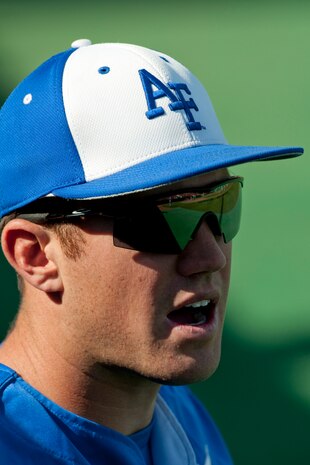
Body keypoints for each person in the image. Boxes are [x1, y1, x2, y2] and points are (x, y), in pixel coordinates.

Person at [0, 39, 303, 465]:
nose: (211, 256)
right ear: (36, 256)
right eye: (159, 220)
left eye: (219, 204)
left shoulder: (175, 415)